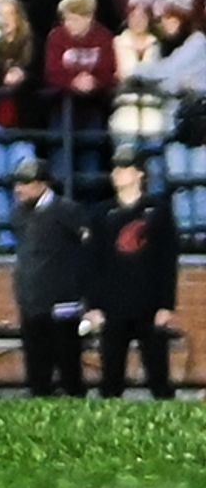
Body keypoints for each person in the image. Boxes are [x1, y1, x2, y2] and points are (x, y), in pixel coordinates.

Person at [90, 154, 180, 399]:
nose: (118, 173)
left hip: (149, 304)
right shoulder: (101, 213)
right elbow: (91, 262)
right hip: (112, 305)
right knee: (111, 378)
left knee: (158, 376)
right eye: (116, 168)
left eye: (125, 168)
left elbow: (167, 261)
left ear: (140, 174)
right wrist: (93, 305)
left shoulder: (158, 212)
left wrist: (166, 304)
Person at [12, 156, 92, 397]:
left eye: (25, 183)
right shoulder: (19, 215)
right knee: (37, 374)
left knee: (69, 370)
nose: (19, 189)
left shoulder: (67, 211)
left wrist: (80, 293)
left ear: (43, 184)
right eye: (18, 183)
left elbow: (87, 251)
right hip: (32, 303)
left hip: (62, 304)